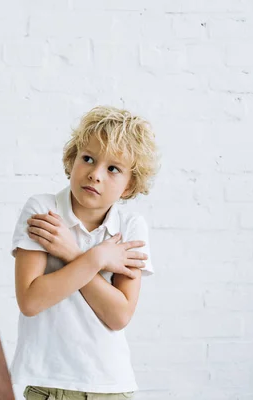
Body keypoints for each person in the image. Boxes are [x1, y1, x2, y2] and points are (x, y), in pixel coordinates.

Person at [11, 106, 160, 399]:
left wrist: (72, 253)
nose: (95, 174)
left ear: (130, 186)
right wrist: (96, 258)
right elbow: (30, 300)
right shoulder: (43, 211)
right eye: (88, 159)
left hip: (110, 386)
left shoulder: (130, 227)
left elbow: (118, 315)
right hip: (46, 386)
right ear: (72, 159)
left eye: (112, 168)